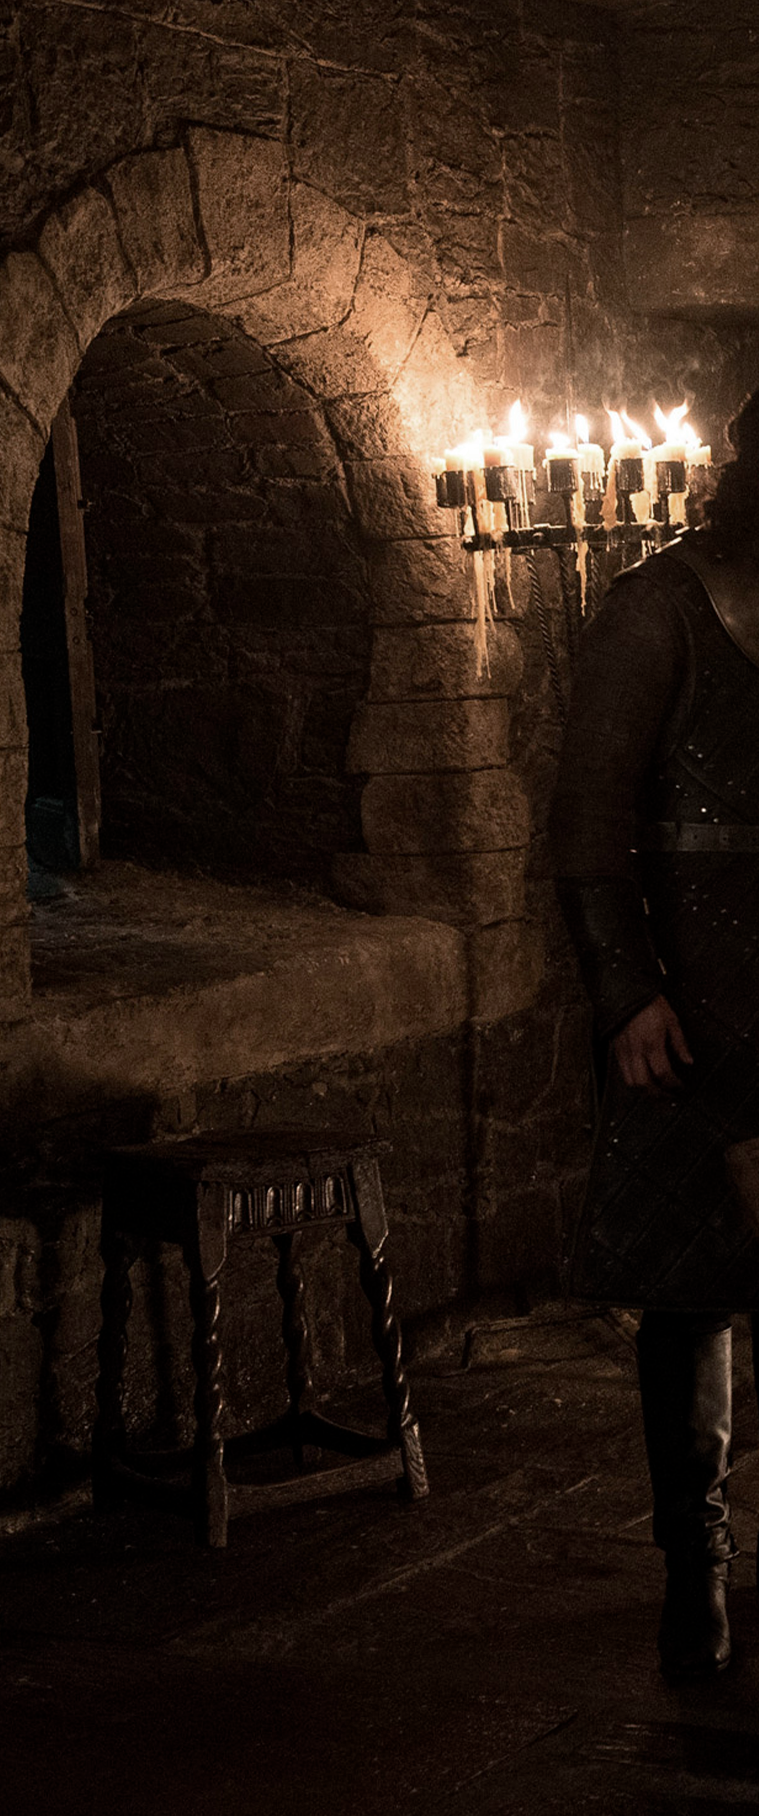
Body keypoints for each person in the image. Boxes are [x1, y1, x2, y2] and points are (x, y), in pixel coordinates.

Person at [549, 390, 759, 1682]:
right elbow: (587, 821)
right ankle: (699, 1576)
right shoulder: (656, 608)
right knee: (691, 1296)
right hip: (692, 1003)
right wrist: (626, 991)